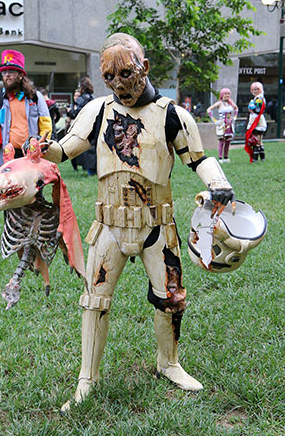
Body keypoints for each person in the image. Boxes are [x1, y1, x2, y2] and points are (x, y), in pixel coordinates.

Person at [41, 33, 235, 411]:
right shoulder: (97, 110)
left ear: (144, 68)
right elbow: (64, 149)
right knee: (94, 301)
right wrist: (42, 148)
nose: (118, 84)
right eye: (109, 76)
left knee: (171, 299)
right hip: (108, 225)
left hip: (156, 226)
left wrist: (219, 183)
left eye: (126, 73)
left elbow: (198, 159)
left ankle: (169, 362)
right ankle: (87, 379)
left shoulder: (171, 114)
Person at [0, 50, 52, 169]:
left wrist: (42, 146)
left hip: (31, 154)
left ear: (21, 75)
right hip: (6, 156)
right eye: (4, 72)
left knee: (32, 187)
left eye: (11, 72)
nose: (7, 75)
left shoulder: (35, 97)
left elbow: (46, 124)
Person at [67, 77, 97, 176]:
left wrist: (69, 112)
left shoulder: (82, 99)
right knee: (93, 149)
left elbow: (76, 114)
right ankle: (94, 171)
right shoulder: (93, 98)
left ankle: (90, 172)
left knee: (86, 150)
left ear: (82, 87)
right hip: (94, 126)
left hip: (85, 128)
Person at [207, 88, 238, 163]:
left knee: (228, 141)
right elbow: (209, 109)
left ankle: (226, 157)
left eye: (228, 93)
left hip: (229, 124)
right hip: (222, 124)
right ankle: (220, 158)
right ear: (222, 95)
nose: (227, 95)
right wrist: (214, 120)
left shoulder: (231, 103)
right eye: (225, 94)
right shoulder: (219, 103)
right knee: (222, 141)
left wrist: (234, 117)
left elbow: (236, 108)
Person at [244, 82, 267, 163]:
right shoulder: (258, 98)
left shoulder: (259, 98)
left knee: (257, 139)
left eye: (257, 89)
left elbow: (257, 109)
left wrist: (251, 106)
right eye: (253, 89)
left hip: (257, 120)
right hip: (257, 119)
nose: (255, 91)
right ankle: (262, 158)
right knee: (259, 140)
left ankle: (255, 159)